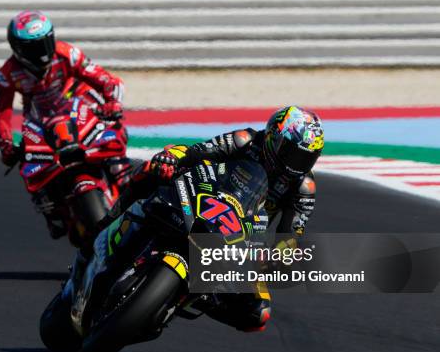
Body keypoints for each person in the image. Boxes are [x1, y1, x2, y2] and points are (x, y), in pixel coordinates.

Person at [93, 106, 324, 332]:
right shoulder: (245, 140)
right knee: (152, 169)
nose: (297, 164)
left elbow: (290, 235)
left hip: (242, 235)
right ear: (274, 139)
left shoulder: (304, 188)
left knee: (258, 314)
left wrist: (279, 257)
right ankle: (108, 221)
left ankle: (202, 295)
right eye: (293, 154)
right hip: (203, 196)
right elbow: (198, 152)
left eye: (306, 158)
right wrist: (172, 158)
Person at [0, 10, 130, 237]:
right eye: (34, 47)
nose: (43, 53)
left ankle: (122, 170)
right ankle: (51, 209)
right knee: (27, 162)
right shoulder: (7, 74)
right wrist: (6, 143)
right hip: (40, 121)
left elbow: (105, 79)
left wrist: (112, 103)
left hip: (79, 108)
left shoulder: (67, 54)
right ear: (18, 48)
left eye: (45, 43)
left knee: (113, 128)